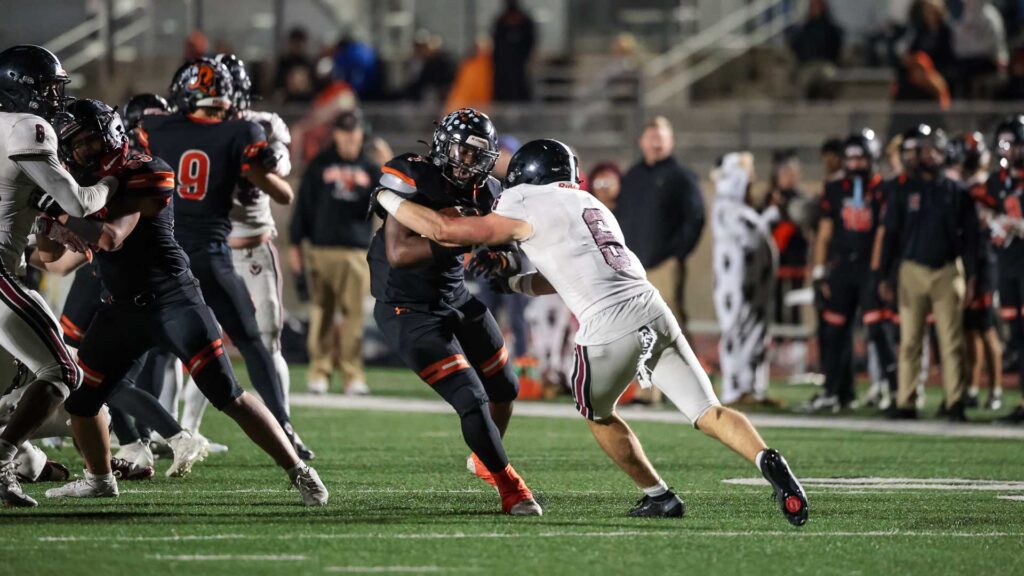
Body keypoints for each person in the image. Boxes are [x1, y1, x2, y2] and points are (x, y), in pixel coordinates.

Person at [372, 139, 809, 526]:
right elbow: (572, 270)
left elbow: (443, 230)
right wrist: (516, 283)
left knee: (597, 414)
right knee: (709, 410)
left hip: (607, 326)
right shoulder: (592, 205)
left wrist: (389, 199)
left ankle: (659, 495)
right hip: (653, 309)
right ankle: (767, 458)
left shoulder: (522, 201)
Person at [37, 98, 327, 504]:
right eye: (76, 144)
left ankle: (298, 469)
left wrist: (60, 214)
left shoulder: (144, 169)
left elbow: (109, 237)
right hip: (121, 307)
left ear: (111, 134)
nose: (83, 150)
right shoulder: (78, 181)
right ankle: (99, 479)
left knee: (228, 394)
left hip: (174, 298)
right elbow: (49, 258)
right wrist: (44, 219)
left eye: (89, 140)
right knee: (83, 401)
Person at [367, 108, 539, 516]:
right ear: (444, 145)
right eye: (462, 152)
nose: (467, 163)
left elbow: (513, 256)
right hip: (406, 307)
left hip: (455, 296)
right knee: (471, 397)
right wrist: (467, 240)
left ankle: (485, 457)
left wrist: (497, 261)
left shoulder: (488, 192)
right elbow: (400, 252)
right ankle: (509, 486)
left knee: (506, 389)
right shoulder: (415, 177)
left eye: (476, 156)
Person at [139, 58, 313, 459]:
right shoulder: (243, 131)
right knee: (250, 342)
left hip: (163, 252)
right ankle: (283, 429)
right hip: (212, 255)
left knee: (145, 346)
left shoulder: (158, 126)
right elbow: (282, 191)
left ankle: (139, 436)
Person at [0, 44, 121, 507]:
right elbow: (79, 202)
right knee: (64, 371)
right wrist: (112, 181)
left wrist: (40, 230)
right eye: (47, 88)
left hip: (9, 263)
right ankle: (4, 455)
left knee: (8, 378)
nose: (55, 98)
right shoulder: (26, 128)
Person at [177, 54, 298, 441]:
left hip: (253, 247)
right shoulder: (197, 131)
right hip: (212, 246)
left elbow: (280, 165)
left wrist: (262, 154)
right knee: (207, 342)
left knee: (266, 338)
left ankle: (285, 427)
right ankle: (188, 429)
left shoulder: (261, 125)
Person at [874, 124, 980, 421]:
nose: (931, 155)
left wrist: (971, 276)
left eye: (936, 149)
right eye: (926, 149)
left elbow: (972, 238)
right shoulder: (902, 188)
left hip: (948, 269)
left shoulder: (957, 191)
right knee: (909, 341)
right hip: (911, 270)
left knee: (951, 341)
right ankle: (906, 401)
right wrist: (885, 275)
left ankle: (955, 401)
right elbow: (891, 235)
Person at [808, 130, 898, 413]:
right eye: (851, 157)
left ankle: (895, 390)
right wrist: (820, 270)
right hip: (842, 268)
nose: (855, 163)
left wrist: (881, 272)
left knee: (878, 331)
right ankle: (833, 391)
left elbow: (887, 233)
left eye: (860, 157)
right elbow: (824, 233)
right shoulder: (834, 189)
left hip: (870, 269)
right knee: (834, 333)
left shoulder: (884, 189)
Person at [289, 110, 377, 395]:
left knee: (354, 319)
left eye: (355, 134)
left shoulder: (371, 167)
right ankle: (320, 372)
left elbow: (392, 199)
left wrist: (386, 164)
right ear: (337, 134)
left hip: (356, 251)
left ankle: (353, 375)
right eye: (345, 133)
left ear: (361, 135)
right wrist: (294, 245)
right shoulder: (319, 164)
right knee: (321, 314)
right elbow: (302, 207)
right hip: (322, 249)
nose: (351, 139)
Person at [616, 116, 705, 341]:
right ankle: (648, 377)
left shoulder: (681, 177)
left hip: (665, 266)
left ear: (671, 142)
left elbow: (696, 217)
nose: (656, 143)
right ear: (641, 141)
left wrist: (677, 253)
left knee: (672, 326)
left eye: (661, 138)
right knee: (636, 328)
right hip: (633, 269)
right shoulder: (632, 176)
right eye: (651, 137)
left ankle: (690, 374)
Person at [711, 153, 779, 406]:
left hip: (752, 285)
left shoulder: (740, 208)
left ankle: (752, 387)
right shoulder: (727, 207)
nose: (752, 180)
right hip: (736, 286)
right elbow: (750, 238)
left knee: (756, 335)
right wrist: (769, 217)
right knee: (737, 333)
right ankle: (735, 390)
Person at [947, 131, 1002, 411]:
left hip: (986, 260)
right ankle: (972, 387)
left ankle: (996, 389)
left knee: (987, 327)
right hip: (970, 260)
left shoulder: (987, 186)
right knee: (970, 329)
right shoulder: (964, 187)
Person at [985, 118, 1024, 423]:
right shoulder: (998, 180)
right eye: (1006, 144)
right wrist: (994, 221)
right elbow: (984, 209)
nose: (1009, 150)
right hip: (1010, 266)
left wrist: (1016, 225)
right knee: (1018, 337)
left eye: (1015, 144)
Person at [492, 0, 535, 102]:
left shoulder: (525, 21)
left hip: (520, 63)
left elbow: (530, 42)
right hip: (503, 65)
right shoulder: (501, 21)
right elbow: (497, 43)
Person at [274, 27, 317, 104]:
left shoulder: (308, 63)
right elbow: (277, 88)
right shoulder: (284, 63)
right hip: (287, 103)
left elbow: (314, 87)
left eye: (300, 43)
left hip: (306, 102)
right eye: (295, 43)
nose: (298, 46)